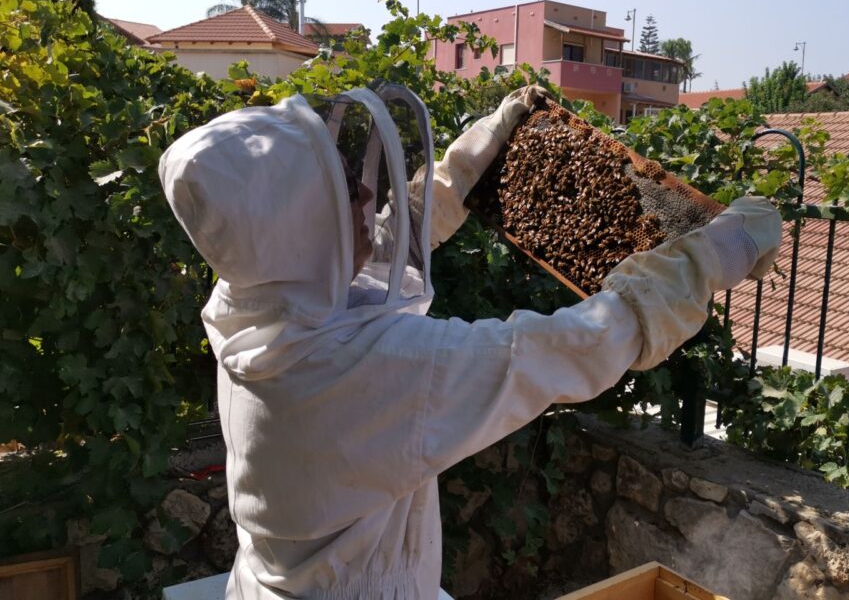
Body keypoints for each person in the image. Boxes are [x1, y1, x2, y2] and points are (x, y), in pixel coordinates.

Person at [158, 84, 781, 600]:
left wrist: (485, 142)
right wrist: (715, 255)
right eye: (348, 188)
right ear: (302, 226)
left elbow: (390, 236)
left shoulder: (257, 304)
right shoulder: (366, 370)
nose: (369, 194)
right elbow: (564, 349)